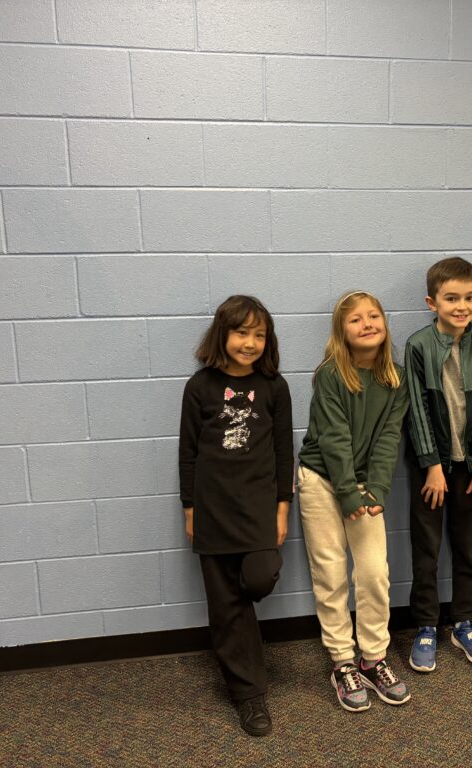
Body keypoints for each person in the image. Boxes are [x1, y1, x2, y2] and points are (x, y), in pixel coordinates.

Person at [179, 295, 294, 736]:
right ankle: (249, 696)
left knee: (260, 577)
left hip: (259, 510)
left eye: (259, 334)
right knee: (225, 608)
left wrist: (282, 509)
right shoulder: (200, 386)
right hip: (212, 510)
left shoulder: (274, 387)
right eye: (241, 332)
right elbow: (187, 454)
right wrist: (189, 509)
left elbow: (285, 453)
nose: (250, 342)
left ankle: (239, 639)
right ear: (222, 334)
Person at [297, 290, 410, 712]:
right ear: (341, 332)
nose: (367, 323)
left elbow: (387, 440)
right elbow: (333, 438)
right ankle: (343, 663)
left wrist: (376, 490)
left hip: (363, 485)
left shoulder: (395, 379)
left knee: (373, 572)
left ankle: (374, 657)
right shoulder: (331, 374)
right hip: (322, 480)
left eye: (374, 315)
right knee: (330, 572)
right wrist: (346, 491)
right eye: (355, 319)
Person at [403, 257, 472, 672]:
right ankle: (426, 625)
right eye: (451, 298)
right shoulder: (419, 345)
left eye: (470, 297)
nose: (462, 305)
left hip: (470, 467)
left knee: (467, 548)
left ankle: (464, 621)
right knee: (427, 550)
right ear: (432, 302)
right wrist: (432, 465)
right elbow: (417, 409)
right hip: (433, 470)